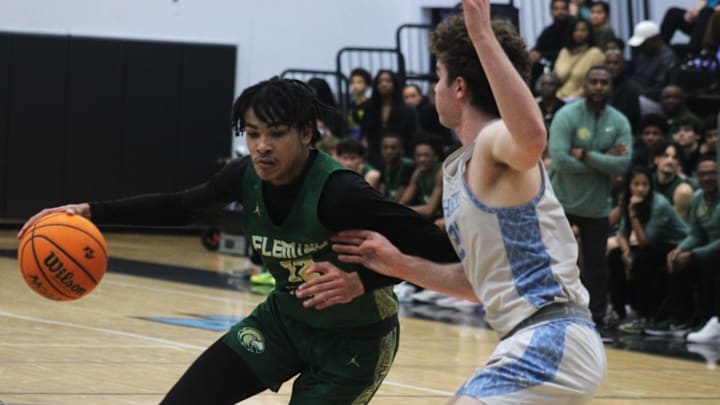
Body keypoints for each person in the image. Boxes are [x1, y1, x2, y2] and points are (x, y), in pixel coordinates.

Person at [17, 77, 459, 404]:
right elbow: (181, 206)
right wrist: (88, 212)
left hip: (355, 342)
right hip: (283, 324)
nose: (262, 146)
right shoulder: (243, 175)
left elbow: (437, 248)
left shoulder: (341, 193)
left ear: (307, 133)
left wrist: (363, 279)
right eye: (252, 133)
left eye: (276, 132)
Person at [301, 1, 607, 402]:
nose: (434, 88)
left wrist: (481, 35)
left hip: (552, 338)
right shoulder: (461, 168)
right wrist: (398, 263)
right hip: (539, 340)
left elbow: (532, 137)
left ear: (459, 88)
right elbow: (478, 283)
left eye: (439, 77)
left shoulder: (494, 144)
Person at [549, 65, 632, 330]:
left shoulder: (619, 121)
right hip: (561, 201)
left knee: (597, 267)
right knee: (555, 261)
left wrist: (585, 154)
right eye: (593, 81)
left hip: (597, 207)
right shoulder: (566, 115)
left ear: (611, 87)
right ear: (584, 85)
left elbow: (623, 164)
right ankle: (550, 315)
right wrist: (604, 158)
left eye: (604, 82)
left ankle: (595, 320)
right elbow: (560, 159)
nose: (598, 86)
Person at [606, 166, 689, 335]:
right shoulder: (629, 201)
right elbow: (622, 234)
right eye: (636, 184)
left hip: (677, 244)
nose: (640, 189)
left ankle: (645, 316)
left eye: (645, 184)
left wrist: (633, 214)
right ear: (629, 186)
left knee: (642, 259)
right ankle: (619, 311)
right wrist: (626, 253)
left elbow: (644, 242)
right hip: (655, 244)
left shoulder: (659, 204)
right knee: (615, 255)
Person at [361, 70, 419, 168]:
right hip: (375, 157)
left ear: (395, 84)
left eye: (388, 81)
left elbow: (413, 135)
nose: (384, 84)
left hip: (401, 158)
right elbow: (366, 133)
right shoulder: (369, 108)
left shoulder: (408, 110)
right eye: (380, 82)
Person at [628, 20, 678, 110]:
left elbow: (659, 90)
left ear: (655, 40)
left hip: (652, 101)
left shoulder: (667, 59)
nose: (640, 47)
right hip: (635, 92)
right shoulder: (643, 54)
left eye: (644, 44)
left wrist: (633, 91)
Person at [553, 18, 606, 100]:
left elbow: (594, 83)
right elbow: (556, 77)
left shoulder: (595, 53)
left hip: (581, 99)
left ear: (589, 33)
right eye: (576, 30)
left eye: (583, 30)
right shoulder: (565, 51)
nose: (579, 33)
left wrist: (572, 98)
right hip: (558, 97)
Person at [377, 132, 416, 202]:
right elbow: (381, 194)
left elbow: (400, 200)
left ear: (402, 150)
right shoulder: (384, 165)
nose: (388, 152)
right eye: (385, 147)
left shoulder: (409, 166)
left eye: (393, 148)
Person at [347, 68, 372, 138]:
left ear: (367, 85)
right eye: (352, 82)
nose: (355, 85)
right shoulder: (349, 105)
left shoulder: (370, 104)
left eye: (359, 82)